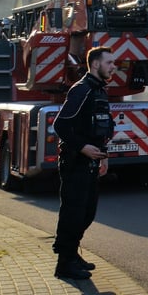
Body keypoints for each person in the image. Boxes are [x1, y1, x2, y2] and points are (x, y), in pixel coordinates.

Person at [52, 46, 116, 280]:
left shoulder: (99, 90)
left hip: (91, 163)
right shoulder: (82, 90)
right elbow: (60, 125)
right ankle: (64, 264)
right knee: (73, 213)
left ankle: (72, 255)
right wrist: (82, 148)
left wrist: (103, 156)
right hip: (75, 162)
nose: (114, 67)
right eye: (109, 62)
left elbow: (101, 128)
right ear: (96, 64)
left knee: (87, 213)